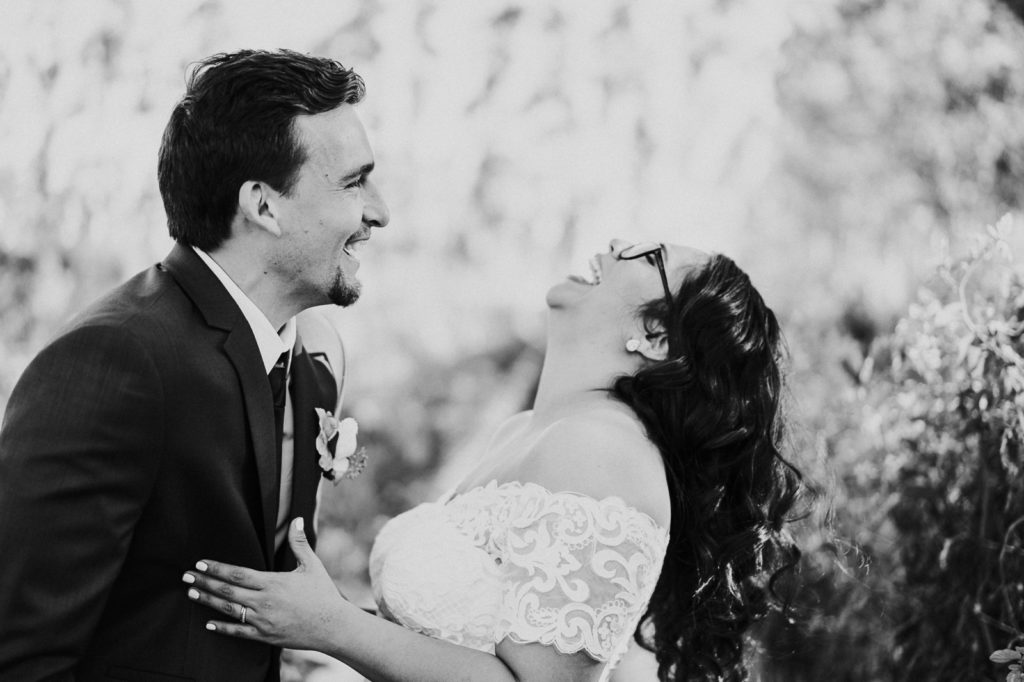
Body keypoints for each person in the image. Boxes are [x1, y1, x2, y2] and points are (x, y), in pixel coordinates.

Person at [182, 240, 805, 682]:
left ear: (657, 337)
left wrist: (330, 627)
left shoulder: (607, 456)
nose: (617, 245)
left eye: (650, 259)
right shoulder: (527, 431)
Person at [0, 49, 389, 681]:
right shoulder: (113, 361)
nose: (379, 212)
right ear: (264, 205)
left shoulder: (318, 350)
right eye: (354, 182)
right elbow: (22, 655)